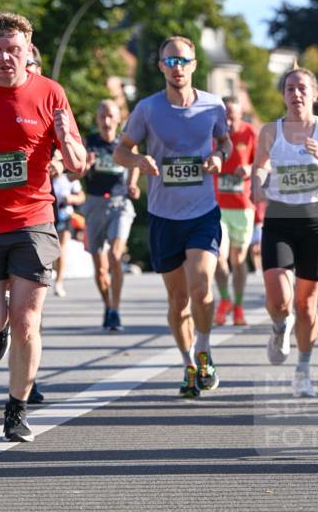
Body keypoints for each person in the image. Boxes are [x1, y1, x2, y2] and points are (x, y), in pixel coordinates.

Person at [0, 11, 86, 442]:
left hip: (33, 222)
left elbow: (78, 165)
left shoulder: (50, 92)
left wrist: (67, 138)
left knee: (28, 321)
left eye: (13, 50)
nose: (5, 57)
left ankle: (16, 408)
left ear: (28, 51)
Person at [114, 35, 231, 398]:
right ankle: (188, 363)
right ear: (161, 66)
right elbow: (121, 151)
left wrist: (219, 157)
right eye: (170, 61)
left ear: (194, 65)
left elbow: (224, 141)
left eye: (183, 61)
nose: (177, 67)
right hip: (163, 215)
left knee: (201, 286)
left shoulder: (213, 106)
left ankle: (205, 351)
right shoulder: (147, 109)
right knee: (178, 301)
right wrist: (139, 160)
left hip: (202, 212)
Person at [252, 64, 318, 398]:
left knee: (306, 305)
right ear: (283, 95)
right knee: (279, 300)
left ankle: (303, 371)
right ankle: (279, 327)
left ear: (314, 95)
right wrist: (257, 182)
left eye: (302, 88)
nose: (296, 94)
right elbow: (260, 166)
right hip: (279, 220)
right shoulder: (270, 131)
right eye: (290, 89)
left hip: (314, 222)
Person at [82, 99, 139, 331]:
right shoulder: (89, 142)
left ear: (118, 119)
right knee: (100, 268)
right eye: (102, 116)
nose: (106, 121)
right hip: (94, 204)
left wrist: (133, 184)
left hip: (120, 203)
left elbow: (135, 162)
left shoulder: (124, 142)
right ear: (97, 119)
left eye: (110, 116)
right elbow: (75, 172)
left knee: (115, 256)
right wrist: (85, 166)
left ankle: (115, 309)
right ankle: (107, 305)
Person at [213, 96, 257, 327]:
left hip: (242, 206)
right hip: (217, 205)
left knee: (238, 260)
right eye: (225, 117)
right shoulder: (213, 134)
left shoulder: (249, 133)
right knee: (218, 256)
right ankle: (225, 299)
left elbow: (263, 163)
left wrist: (249, 168)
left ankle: (238, 305)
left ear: (240, 115)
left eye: (233, 117)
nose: (229, 122)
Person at [51, 168, 85, 297]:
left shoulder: (69, 178)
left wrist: (71, 198)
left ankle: (59, 283)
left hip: (65, 216)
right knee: (48, 250)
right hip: (48, 216)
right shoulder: (45, 177)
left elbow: (82, 197)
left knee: (61, 249)